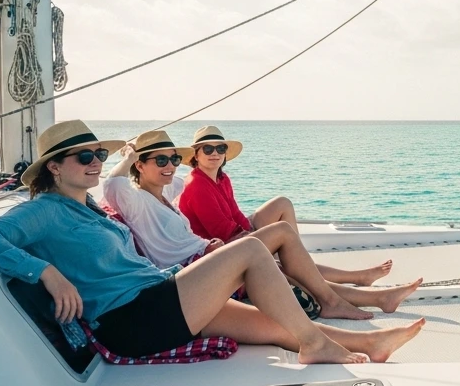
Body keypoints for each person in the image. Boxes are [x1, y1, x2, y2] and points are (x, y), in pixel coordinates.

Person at [0, 121, 423, 363]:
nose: (96, 162)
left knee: (271, 321)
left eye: (99, 154)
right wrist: (46, 273)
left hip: (155, 296)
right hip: (130, 317)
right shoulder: (43, 211)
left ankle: (373, 343)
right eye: (84, 156)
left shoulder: (85, 206)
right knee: (253, 250)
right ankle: (318, 341)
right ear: (54, 167)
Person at [102, 129, 419, 320]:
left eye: (173, 159)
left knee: (283, 247)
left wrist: (177, 163)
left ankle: (373, 298)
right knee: (281, 236)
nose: (170, 166)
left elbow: (186, 182)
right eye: (160, 160)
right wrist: (130, 154)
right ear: (139, 166)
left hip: (207, 254)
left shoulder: (165, 194)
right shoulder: (137, 201)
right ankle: (338, 300)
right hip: (193, 268)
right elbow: (112, 186)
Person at [178, 125, 388, 286]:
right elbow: (220, 230)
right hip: (221, 247)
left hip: (235, 233)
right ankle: (353, 276)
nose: (214, 153)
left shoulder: (221, 179)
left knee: (282, 203)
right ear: (196, 154)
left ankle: (298, 259)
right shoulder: (197, 184)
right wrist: (258, 236)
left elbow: (235, 212)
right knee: (284, 240)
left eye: (220, 148)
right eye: (208, 148)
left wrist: (252, 230)